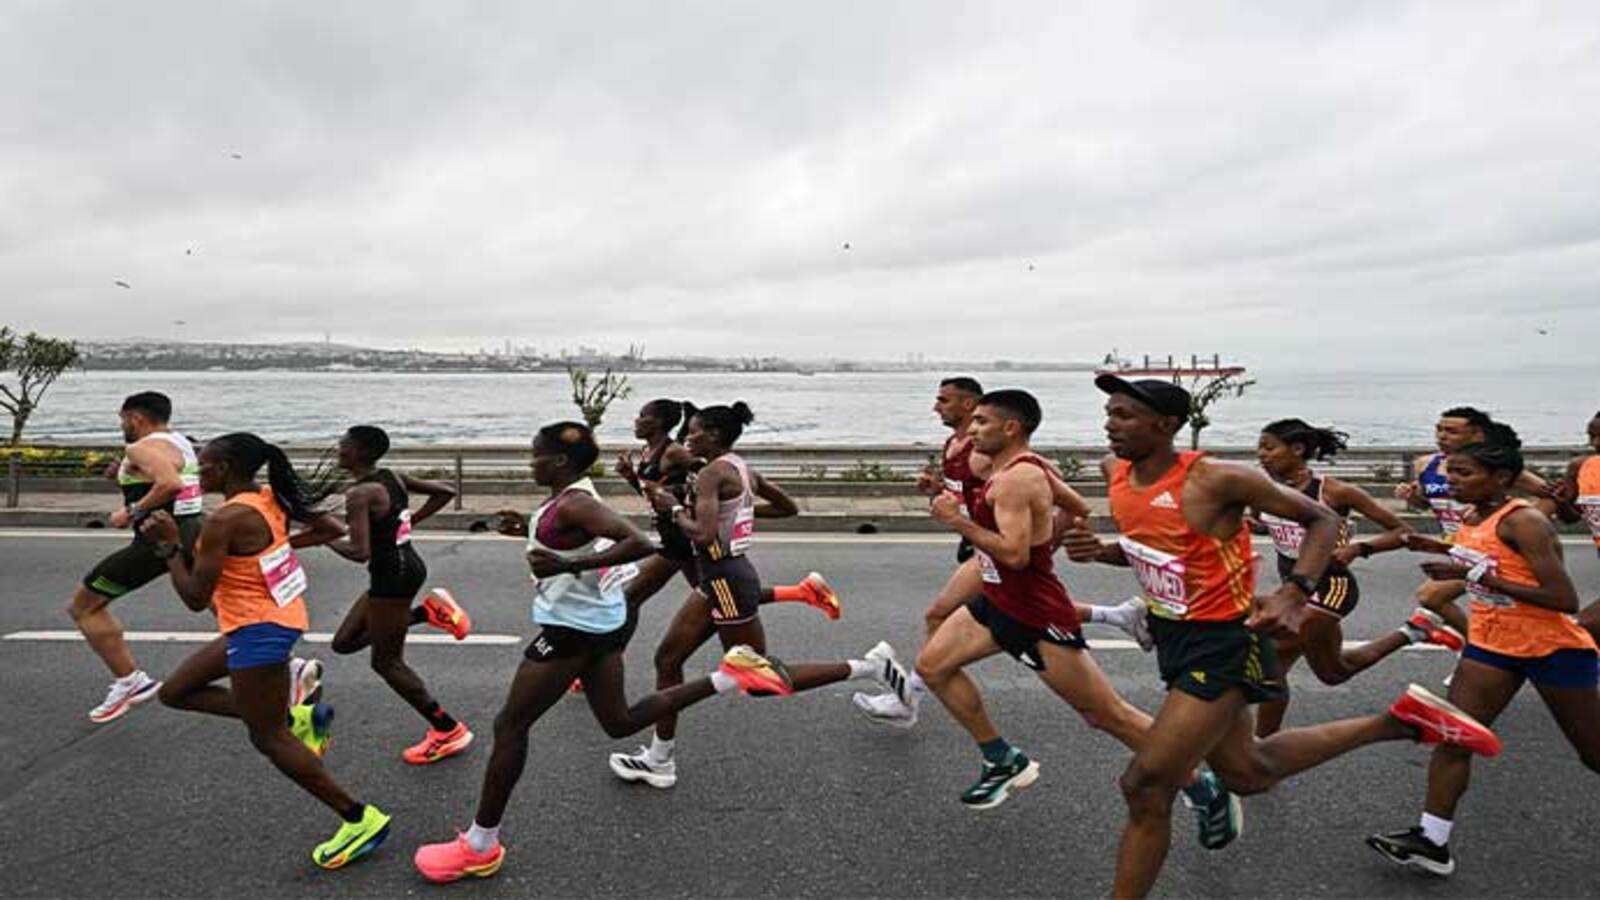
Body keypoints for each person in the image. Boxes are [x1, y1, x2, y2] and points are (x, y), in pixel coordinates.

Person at [1061, 376, 1502, 899]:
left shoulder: (1216, 479)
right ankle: (1401, 722)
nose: (1110, 425)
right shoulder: (1116, 474)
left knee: (1145, 785)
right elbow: (1152, 548)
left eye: (1125, 415)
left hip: (1220, 642)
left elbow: (1320, 518)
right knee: (1249, 771)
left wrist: (1295, 592)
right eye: (1109, 413)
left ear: (1167, 424)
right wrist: (1102, 552)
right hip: (1174, 639)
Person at [412, 422, 797, 882]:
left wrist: (567, 564)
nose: (529, 462)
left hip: (572, 630)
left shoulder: (577, 501)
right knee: (619, 722)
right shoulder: (570, 497)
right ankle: (729, 677)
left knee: (509, 726)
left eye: (534, 456)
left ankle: (480, 844)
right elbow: (572, 534)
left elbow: (636, 542)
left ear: (556, 461)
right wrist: (529, 531)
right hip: (602, 623)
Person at [911, 388, 1238, 845]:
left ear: (1011, 428)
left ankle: (1203, 788)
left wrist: (957, 521)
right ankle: (1002, 759)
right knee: (933, 665)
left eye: (982, 422)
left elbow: (1016, 554)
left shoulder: (1016, 479)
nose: (971, 430)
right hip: (996, 600)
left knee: (1108, 715)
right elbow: (1077, 509)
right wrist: (1042, 536)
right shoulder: (1020, 469)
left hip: (1034, 613)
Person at [606, 403, 910, 789]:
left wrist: (676, 508)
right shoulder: (740, 467)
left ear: (714, 435)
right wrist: (736, 509)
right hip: (717, 578)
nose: (688, 437)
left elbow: (701, 535)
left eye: (695, 431)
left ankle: (871, 667)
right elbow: (787, 508)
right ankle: (660, 759)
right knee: (668, 658)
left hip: (727, 581)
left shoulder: (712, 473)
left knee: (759, 679)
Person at [139, 432, 391, 869]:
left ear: (224, 469)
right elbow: (330, 528)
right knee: (174, 692)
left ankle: (359, 818)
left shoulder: (226, 520)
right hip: (266, 618)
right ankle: (297, 715)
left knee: (269, 738)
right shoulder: (270, 495)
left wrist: (166, 547)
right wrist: (275, 548)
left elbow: (196, 597)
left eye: (203, 462)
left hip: (261, 630)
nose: (196, 469)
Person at [1369, 424, 1600, 876]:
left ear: (1500, 478)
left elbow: (1563, 599)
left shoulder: (1524, 521)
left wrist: (1479, 580)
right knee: (1454, 737)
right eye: (1451, 472)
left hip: (1551, 648)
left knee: (1593, 753)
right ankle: (1431, 841)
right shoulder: (1474, 517)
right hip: (1493, 645)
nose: (1451, 481)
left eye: (1464, 473)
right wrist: (1432, 546)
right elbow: (1481, 557)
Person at [851, 378, 1147, 727]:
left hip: (996, 552)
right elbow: (972, 496)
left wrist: (1043, 543)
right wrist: (938, 491)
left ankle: (909, 697)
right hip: (985, 549)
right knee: (980, 616)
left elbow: (1062, 497)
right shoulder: (955, 446)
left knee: (940, 614)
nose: (936, 407)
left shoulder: (1002, 460)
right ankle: (1118, 616)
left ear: (969, 404)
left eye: (944, 400)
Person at [1252, 418, 1464, 737]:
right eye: (1259, 448)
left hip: (1332, 587)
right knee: (1334, 672)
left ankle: (1260, 748)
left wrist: (1359, 549)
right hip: (1293, 588)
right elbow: (1270, 525)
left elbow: (1402, 531)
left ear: (1297, 450)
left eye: (1269, 447)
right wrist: (1254, 527)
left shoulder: (1334, 491)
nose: (1261, 455)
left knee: (1274, 651)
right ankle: (1415, 630)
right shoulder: (1264, 491)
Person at [321, 425, 475, 764]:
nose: (338, 450)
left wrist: (323, 535)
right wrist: (408, 522)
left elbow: (358, 551)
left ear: (360, 452)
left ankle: (448, 730)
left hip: (394, 575)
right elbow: (445, 491)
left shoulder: (360, 494)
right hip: (399, 569)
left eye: (343, 445)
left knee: (386, 662)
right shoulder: (393, 476)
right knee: (344, 643)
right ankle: (427, 613)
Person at [613, 398, 838, 618]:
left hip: (684, 537)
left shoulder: (678, 454)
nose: (636, 420)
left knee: (638, 598)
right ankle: (802, 592)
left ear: (659, 422)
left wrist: (681, 502)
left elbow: (703, 477)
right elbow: (655, 495)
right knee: (717, 595)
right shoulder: (647, 452)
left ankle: (609, 651)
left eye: (643, 416)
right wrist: (631, 477)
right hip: (677, 535)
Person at [69, 392, 205, 722]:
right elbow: (171, 473)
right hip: (190, 536)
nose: (121, 426)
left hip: (154, 545)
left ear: (136, 418)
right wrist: (122, 474)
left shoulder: (139, 447)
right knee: (229, 608)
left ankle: (131, 681)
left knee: (84, 607)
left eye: (122, 419)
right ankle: (288, 669)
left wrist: (130, 511)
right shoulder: (180, 442)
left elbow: (169, 483)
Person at [1395, 407, 1552, 635]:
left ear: (1477, 435)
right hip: (1456, 547)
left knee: (1430, 596)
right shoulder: (1425, 464)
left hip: (1491, 550)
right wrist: (1413, 497)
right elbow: (1427, 504)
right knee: (1502, 610)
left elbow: (1552, 495)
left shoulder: (1492, 466)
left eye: (1452, 431)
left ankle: (1479, 648)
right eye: (1439, 429)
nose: (1442, 436)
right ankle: (1487, 651)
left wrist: (1516, 526)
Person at [1552, 409, 1600, 640]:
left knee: (1584, 628)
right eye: (1591, 436)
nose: (1596, 443)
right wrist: (1560, 503)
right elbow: (1571, 518)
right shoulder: (1582, 467)